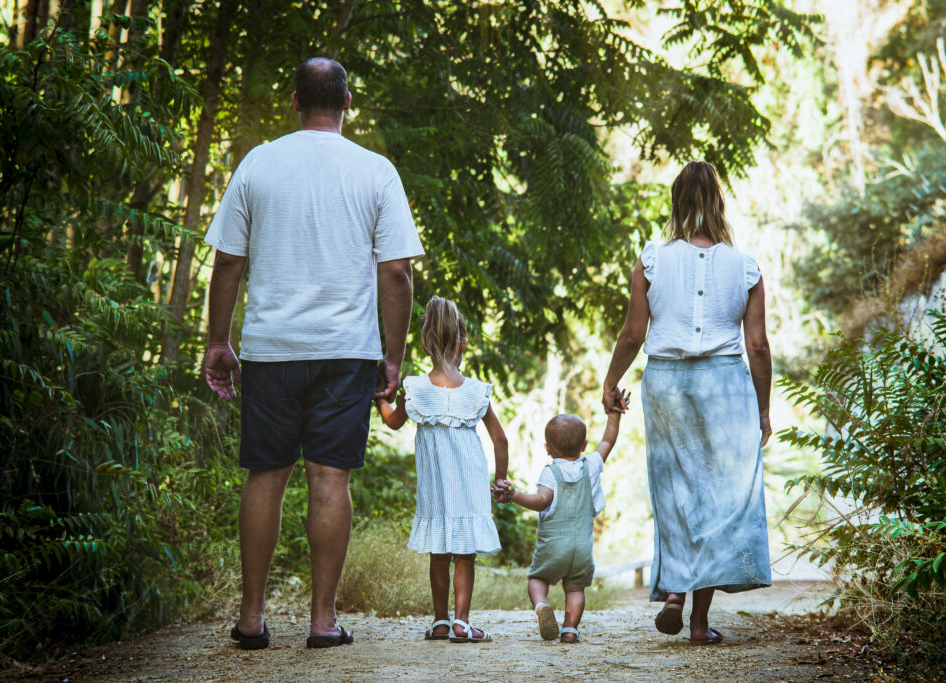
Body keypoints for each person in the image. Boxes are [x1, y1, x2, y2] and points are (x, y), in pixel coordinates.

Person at [203, 57, 424, 650]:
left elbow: (228, 262)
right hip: (346, 352)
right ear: (348, 101)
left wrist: (219, 342)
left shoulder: (258, 162)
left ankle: (251, 620)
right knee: (330, 478)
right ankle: (323, 623)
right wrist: (393, 357)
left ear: (295, 101)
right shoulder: (375, 171)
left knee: (266, 474)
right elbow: (397, 272)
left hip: (271, 349)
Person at [601, 160, 773, 645]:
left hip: (667, 384)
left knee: (675, 491)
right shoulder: (745, 266)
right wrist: (763, 409)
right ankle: (698, 623)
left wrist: (611, 381)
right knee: (718, 497)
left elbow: (633, 334)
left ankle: (675, 588)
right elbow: (758, 346)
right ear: (719, 202)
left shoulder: (652, 260)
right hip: (726, 386)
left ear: (676, 202)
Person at [375, 296, 509, 643]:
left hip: (435, 488)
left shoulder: (415, 388)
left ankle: (439, 621)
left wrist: (381, 400)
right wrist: (501, 478)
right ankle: (462, 623)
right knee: (465, 555)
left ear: (424, 344)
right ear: (464, 343)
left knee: (439, 552)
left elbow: (393, 422)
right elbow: (500, 440)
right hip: (470, 486)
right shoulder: (476, 391)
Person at [494, 393, 629, 644]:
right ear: (584, 445)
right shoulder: (591, 465)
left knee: (537, 578)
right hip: (582, 550)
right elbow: (608, 441)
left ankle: (542, 605)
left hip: (553, 548)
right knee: (575, 588)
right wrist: (615, 413)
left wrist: (514, 494)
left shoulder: (550, 473)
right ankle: (570, 629)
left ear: (547, 448)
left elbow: (540, 501)